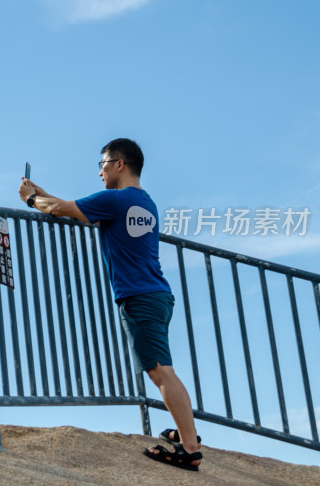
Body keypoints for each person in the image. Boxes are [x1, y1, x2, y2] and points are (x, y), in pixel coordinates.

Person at [18, 138, 202, 471]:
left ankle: (189, 449)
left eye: (101, 163)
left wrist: (31, 199)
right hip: (158, 294)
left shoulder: (114, 201)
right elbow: (70, 206)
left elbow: (62, 210)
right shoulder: (144, 201)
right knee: (164, 367)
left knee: (160, 371)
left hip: (139, 298)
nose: (99, 171)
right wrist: (41, 191)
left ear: (119, 164)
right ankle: (185, 431)